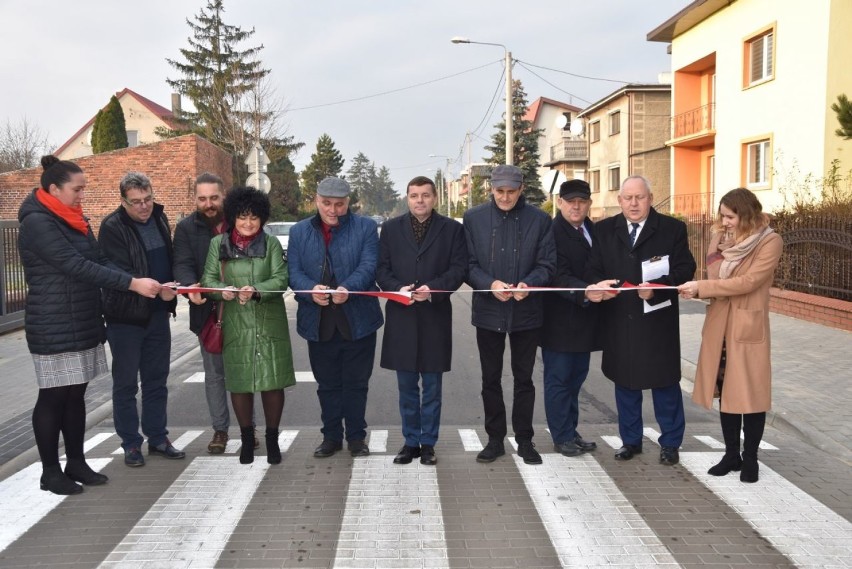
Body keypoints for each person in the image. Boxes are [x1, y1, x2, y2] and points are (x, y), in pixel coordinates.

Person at [18, 156, 162, 495]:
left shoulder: (72, 218)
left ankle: (77, 462)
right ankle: (50, 472)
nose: (82, 196)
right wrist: (131, 284)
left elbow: (97, 259)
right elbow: (76, 265)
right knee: (53, 397)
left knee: (76, 395)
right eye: (77, 189)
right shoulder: (38, 222)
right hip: (52, 322)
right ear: (54, 189)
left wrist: (141, 279)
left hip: (81, 318)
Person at [585, 175, 696, 466]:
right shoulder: (604, 230)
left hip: (657, 321)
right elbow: (593, 268)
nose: (634, 204)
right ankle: (630, 441)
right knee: (626, 384)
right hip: (620, 319)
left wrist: (660, 285)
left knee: (665, 386)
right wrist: (599, 286)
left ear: (650, 198)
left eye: (640, 197)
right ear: (620, 200)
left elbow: (686, 267)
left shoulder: (672, 229)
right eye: (628, 198)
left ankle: (671, 443)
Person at [678, 188, 782, 483]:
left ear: (747, 215)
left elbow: (748, 282)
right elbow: (714, 278)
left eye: (730, 216)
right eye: (722, 216)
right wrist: (698, 289)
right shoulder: (719, 239)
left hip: (747, 327)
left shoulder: (769, 241)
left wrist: (702, 288)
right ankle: (731, 454)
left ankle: (751, 459)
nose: (724, 222)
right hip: (719, 324)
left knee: (750, 395)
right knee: (726, 392)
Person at [463, 164, 556, 465]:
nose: (505, 197)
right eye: (499, 191)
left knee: (524, 379)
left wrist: (531, 284)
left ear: (521, 190)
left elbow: (547, 264)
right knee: (490, 378)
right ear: (491, 188)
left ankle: (525, 440)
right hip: (489, 311)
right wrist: (488, 284)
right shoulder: (474, 218)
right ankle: (494, 439)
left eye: (511, 192)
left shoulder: (540, 220)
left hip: (526, 312)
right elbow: (468, 264)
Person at [288, 177, 383, 458]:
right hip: (318, 322)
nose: (332, 210)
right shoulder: (299, 231)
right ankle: (330, 437)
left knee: (356, 384)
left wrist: (348, 289)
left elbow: (369, 265)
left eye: (339, 204)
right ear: (316, 200)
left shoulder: (365, 228)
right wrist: (309, 291)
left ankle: (356, 437)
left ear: (348, 202)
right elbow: (294, 273)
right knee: (327, 385)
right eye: (326, 203)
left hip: (358, 321)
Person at [201, 186, 296, 464]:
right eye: (242, 217)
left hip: (269, 321)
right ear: (233, 216)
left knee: (272, 381)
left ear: (262, 218)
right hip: (235, 320)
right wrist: (223, 291)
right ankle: (245, 439)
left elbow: (281, 279)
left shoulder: (272, 245)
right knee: (240, 382)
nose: (248, 223)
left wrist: (256, 289)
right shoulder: (218, 245)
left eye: (254, 217)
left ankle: (272, 439)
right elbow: (208, 280)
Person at [376, 176, 467, 466]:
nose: (419, 200)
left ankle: (428, 443)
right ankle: (409, 441)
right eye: (414, 195)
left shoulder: (452, 229)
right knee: (406, 388)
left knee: (432, 388)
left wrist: (434, 290)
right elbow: (382, 269)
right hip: (402, 317)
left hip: (434, 317)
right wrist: (397, 289)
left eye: (425, 195)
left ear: (435, 198)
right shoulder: (390, 229)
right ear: (407, 198)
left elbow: (458, 268)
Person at [99, 172, 182, 467]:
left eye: (148, 199)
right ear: (123, 201)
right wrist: (146, 286)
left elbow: (166, 258)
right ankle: (131, 444)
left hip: (158, 314)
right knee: (125, 385)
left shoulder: (159, 218)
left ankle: (158, 438)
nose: (144, 206)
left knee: (157, 381)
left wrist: (170, 287)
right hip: (125, 319)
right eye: (136, 202)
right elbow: (112, 269)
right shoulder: (112, 226)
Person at [173, 173, 257, 454]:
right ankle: (220, 431)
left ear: (224, 196)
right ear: (194, 199)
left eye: (214, 198)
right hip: (208, 312)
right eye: (202, 198)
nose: (208, 204)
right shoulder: (186, 228)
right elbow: (183, 264)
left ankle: (248, 430)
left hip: (243, 310)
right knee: (215, 375)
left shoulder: (242, 222)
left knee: (244, 373)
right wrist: (190, 286)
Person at [540, 179, 601, 457]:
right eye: (571, 201)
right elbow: (556, 274)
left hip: (585, 319)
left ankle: (571, 431)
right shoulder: (552, 232)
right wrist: (586, 291)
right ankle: (561, 435)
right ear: (560, 202)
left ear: (589, 203)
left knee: (576, 379)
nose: (576, 206)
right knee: (559, 380)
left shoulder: (592, 229)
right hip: (560, 321)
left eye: (582, 201)